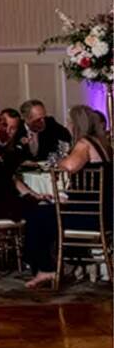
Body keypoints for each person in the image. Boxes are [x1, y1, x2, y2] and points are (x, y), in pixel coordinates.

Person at [23, 106, 113, 289]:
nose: (68, 125)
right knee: (45, 214)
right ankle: (62, 262)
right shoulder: (104, 145)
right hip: (104, 210)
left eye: (70, 122)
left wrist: (59, 161)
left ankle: (46, 268)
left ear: (77, 124)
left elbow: (70, 166)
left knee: (36, 216)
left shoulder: (84, 144)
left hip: (90, 215)